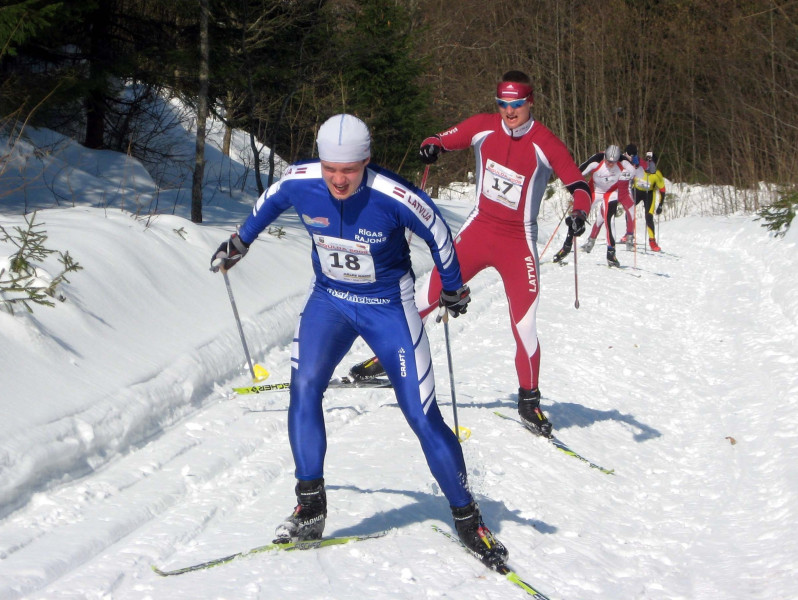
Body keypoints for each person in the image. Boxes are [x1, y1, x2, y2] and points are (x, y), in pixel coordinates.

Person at [210, 114, 508, 568]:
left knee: (420, 413)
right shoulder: (301, 180)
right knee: (304, 386)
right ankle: (310, 507)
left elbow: (440, 234)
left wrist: (453, 286)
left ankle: (469, 518)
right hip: (330, 301)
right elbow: (268, 202)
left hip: (389, 307)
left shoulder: (393, 194)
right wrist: (240, 242)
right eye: (330, 168)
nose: (338, 179)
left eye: (348, 170)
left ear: (366, 161)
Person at [350, 71, 592, 438]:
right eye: (503, 104)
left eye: (517, 104)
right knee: (428, 294)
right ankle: (387, 356)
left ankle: (529, 401)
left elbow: (578, 184)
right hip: (479, 232)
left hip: (518, 242)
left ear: (531, 103)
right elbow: (443, 139)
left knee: (524, 324)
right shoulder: (483, 127)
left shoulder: (545, 143)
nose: (509, 112)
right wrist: (431, 145)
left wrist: (579, 212)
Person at [553, 144, 630, 267]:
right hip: (594, 190)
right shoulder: (596, 160)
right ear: (604, 156)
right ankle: (566, 247)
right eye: (608, 161)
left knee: (610, 220)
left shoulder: (623, 162)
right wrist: (575, 191)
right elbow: (576, 173)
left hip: (611, 192)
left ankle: (611, 254)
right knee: (577, 217)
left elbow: (637, 170)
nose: (610, 164)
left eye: (613, 162)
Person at [632, 150, 667, 251]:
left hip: (649, 194)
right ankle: (629, 234)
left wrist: (660, 204)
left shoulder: (657, 174)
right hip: (637, 192)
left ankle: (652, 241)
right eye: (647, 160)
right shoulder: (638, 169)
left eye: (650, 161)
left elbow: (662, 190)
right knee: (629, 211)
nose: (648, 163)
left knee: (649, 217)